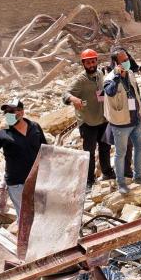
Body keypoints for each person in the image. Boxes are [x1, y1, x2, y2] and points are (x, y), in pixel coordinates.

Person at [0, 96, 48, 214]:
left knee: (41, 212)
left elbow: (46, 150)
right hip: (18, 184)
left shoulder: (35, 127)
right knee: (25, 216)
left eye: (11, 111)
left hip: (38, 179)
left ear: (21, 112)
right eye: (6, 112)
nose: (8, 115)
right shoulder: (3, 135)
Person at [102, 48, 141, 193]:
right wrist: (117, 76)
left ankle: (138, 176)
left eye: (127, 58)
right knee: (120, 153)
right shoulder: (109, 78)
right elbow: (110, 92)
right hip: (121, 123)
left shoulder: (130, 74)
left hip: (135, 120)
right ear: (116, 63)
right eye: (123, 60)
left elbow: (137, 93)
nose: (127, 62)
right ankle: (121, 183)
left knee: (140, 147)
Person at [62, 49, 114, 185]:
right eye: (88, 62)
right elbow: (65, 94)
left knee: (105, 148)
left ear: (96, 61)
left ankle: (107, 172)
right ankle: (89, 180)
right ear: (83, 64)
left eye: (93, 61)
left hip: (103, 119)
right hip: (88, 122)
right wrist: (74, 99)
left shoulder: (100, 74)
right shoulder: (81, 80)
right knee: (89, 153)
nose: (91, 64)